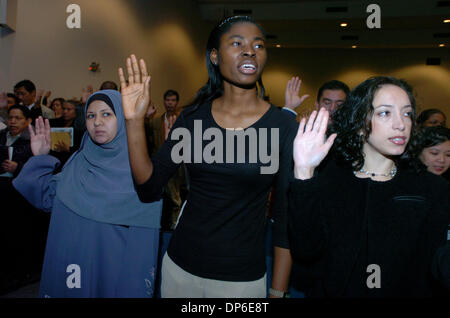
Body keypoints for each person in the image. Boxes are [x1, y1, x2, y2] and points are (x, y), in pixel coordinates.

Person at [118, 15, 298, 298]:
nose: (250, 50)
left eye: (258, 45)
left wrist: (278, 291)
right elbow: (149, 187)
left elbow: (286, 218)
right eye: (236, 43)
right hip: (180, 268)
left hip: (240, 280)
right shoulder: (192, 118)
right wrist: (133, 120)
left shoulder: (283, 126)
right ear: (214, 56)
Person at [289, 76, 449, 297]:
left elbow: (434, 267)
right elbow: (306, 251)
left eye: (407, 113)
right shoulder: (330, 181)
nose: (401, 124)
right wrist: (303, 172)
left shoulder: (431, 189)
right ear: (360, 122)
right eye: (385, 112)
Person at [13, 90, 163, 297]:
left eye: (106, 114)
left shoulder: (142, 177)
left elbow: (141, 257)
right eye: (91, 116)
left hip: (109, 279)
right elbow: (47, 198)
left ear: (124, 117)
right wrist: (40, 157)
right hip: (68, 271)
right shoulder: (79, 162)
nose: (97, 122)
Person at [145, 89, 185, 230]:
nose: (170, 103)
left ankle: (175, 225)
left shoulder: (183, 121)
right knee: (160, 199)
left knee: (176, 199)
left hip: (178, 166)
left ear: (177, 102)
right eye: (168, 100)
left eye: (173, 100)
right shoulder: (156, 122)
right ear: (164, 101)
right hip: (159, 164)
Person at [49, 100, 85, 166]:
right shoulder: (56, 122)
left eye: (69, 109)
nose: (65, 111)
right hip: (54, 159)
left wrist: (69, 149)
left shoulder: (81, 127)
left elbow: (83, 149)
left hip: (72, 161)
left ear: (77, 111)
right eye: (63, 109)